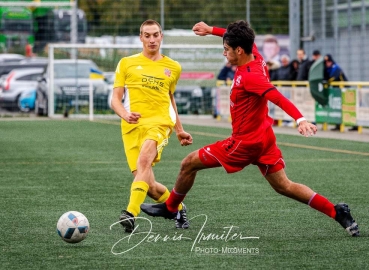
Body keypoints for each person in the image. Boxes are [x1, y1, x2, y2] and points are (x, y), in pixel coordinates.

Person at [140, 20, 360, 237]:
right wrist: (210, 30)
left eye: (226, 49)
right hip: (264, 138)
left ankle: (170, 208)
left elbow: (276, 96)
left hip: (245, 143)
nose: (224, 53)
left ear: (239, 50)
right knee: (284, 186)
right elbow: (234, 33)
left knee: (188, 163)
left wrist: (300, 119)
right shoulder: (254, 53)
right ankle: (336, 211)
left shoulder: (250, 77)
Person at [111, 19, 193, 232]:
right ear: (141, 38)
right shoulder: (126, 63)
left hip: (159, 124)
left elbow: (170, 98)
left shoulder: (173, 67)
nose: (152, 39)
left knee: (145, 159)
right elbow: (115, 99)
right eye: (147, 35)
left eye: (155, 34)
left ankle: (130, 214)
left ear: (161, 36)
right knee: (149, 186)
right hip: (131, 127)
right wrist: (125, 114)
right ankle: (179, 208)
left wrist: (179, 129)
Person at [323, 54, 357, 131]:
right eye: (326, 62)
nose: (327, 63)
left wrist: (326, 82)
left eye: (329, 61)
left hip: (345, 90)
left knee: (349, 107)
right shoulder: (327, 68)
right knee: (338, 108)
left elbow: (332, 78)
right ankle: (338, 125)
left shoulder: (336, 67)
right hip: (337, 91)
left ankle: (355, 125)